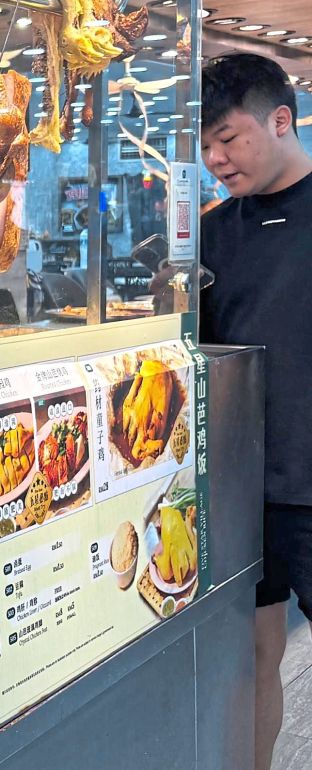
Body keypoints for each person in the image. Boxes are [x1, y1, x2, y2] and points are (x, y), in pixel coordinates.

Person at [198, 52, 312, 770]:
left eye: (228, 138)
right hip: (243, 492)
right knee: (252, 658)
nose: (215, 158)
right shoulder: (212, 234)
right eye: (205, 145)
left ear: (280, 120)